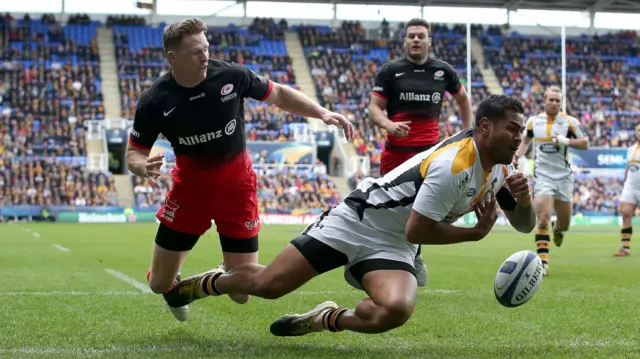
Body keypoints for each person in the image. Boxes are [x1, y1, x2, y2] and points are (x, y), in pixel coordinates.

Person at [165, 95, 536, 335]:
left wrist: (524, 200)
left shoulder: (501, 167)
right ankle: (206, 283)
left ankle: (325, 318)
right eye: (513, 130)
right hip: (357, 221)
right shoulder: (454, 166)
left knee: (394, 310)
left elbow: (524, 224)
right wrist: (473, 234)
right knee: (268, 286)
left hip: (395, 245)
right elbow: (418, 227)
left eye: (522, 131)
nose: (519, 138)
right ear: (485, 127)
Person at [126, 18, 355, 322]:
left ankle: (204, 282)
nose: (205, 56)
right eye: (196, 51)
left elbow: (280, 94)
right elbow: (134, 152)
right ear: (173, 57)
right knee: (158, 284)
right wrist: (143, 166)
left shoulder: (231, 75)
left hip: (237, 190)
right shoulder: (155, 101)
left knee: (242, 292)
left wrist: (322, 113)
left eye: (206, 48)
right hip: (189, 194)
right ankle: (177, 279)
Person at [368, 18, 473, 287]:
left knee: (419, 208)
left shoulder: (443, 71)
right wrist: (389, 124)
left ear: (429, 41)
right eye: (411, 36)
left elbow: (462, 99)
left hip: (428, 157)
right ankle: (381, 255)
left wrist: (468, 132)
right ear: (405, 41)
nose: (416, 40)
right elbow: (374, 109)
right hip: (395, 154)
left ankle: (413, 255)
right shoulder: (391, 71)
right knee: (388, 209)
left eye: (420, 36)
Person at [513, 86, 588, 276]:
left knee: (565, 223)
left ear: (561, 103)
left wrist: (565, 141)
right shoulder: (533, 122)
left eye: (557, 100)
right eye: (551, 100)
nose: (554, 103)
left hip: (563, 177)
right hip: (542, 176)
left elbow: (585, 143)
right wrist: (517, 155)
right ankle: (543, 263)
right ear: (544, 101)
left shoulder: (569, 123)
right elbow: (525, 141)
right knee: (543, 217)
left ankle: (559, 230)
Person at [614, 124, 640, 257]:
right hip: (630, 186)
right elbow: (628, 167)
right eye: (638, 131)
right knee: (625, 214)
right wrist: (625, 182)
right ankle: (625, 248)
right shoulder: (630, 150)